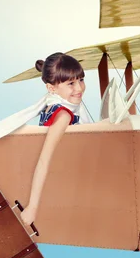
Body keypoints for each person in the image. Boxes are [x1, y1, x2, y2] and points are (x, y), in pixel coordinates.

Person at [19, 52, 91, 228]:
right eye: (71, 83)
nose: (79, 88)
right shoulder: (63, 115)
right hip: (68, 178)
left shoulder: (55, 104)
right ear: (52, 88)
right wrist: (32, 207)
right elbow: (44, 159)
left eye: (81, 80)